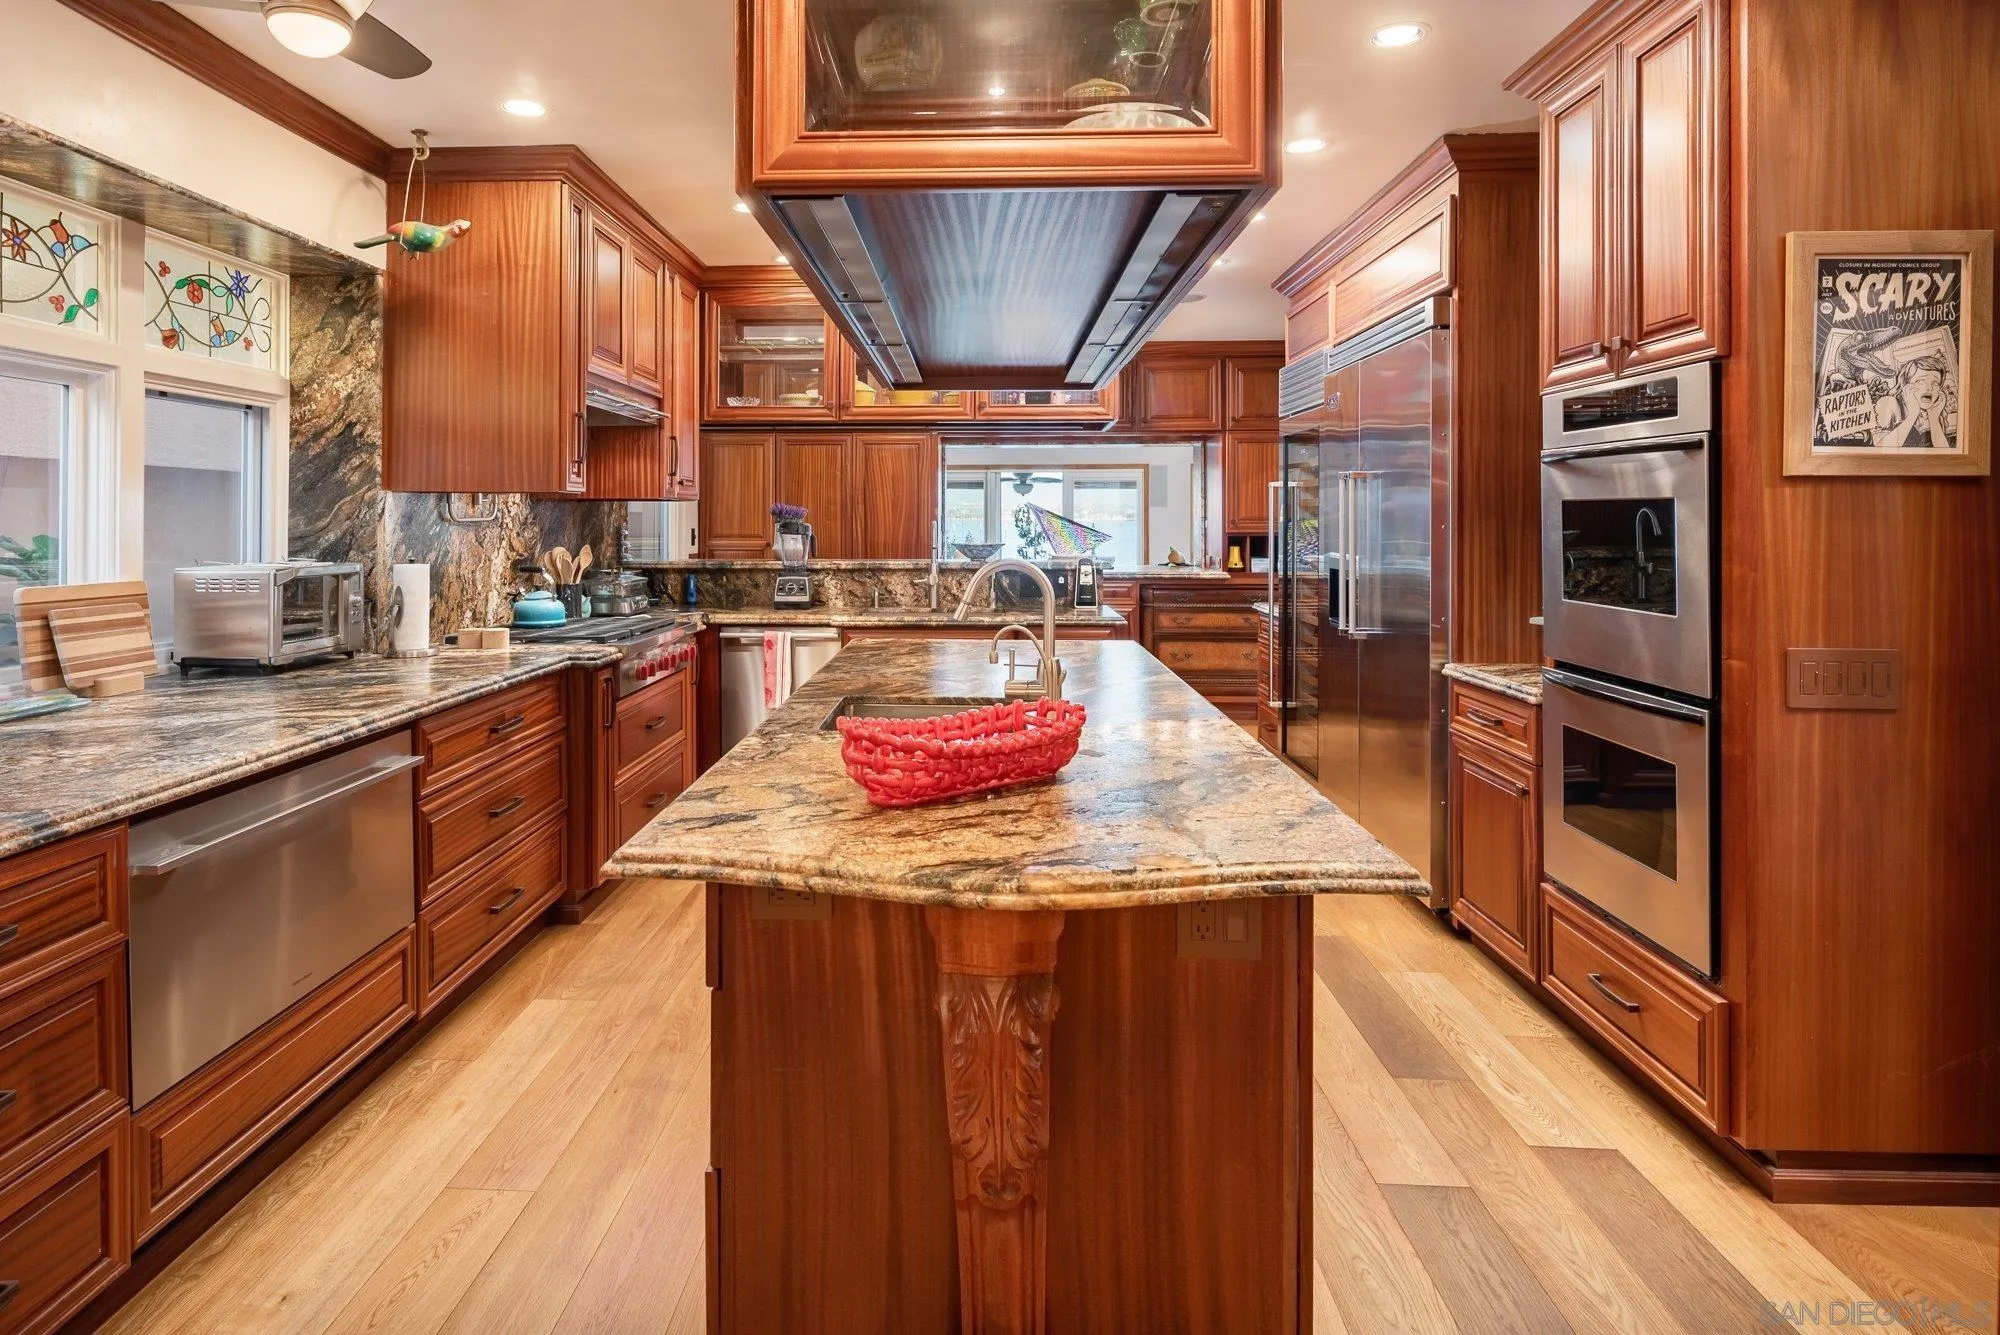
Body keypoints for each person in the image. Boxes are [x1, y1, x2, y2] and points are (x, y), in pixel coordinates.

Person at [1870, 356, 1952, 450]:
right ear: (1906, 385)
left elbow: (1944, 454)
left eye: (1935, 383)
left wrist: (1934, 419)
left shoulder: (1936, 413)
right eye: (1921, 381)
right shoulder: (1889, 403)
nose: (1929, 388)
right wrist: (1912, 415)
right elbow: (1880, 448)